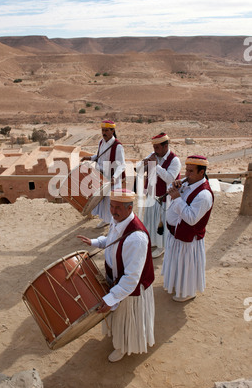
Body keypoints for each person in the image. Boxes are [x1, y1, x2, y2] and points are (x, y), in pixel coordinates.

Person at [77, 189, 155, 362]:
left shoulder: (137, 238)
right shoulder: (118, 220)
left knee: (128, 319)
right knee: (118, 317)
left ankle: (124, 347)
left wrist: (112, 297)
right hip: (117, 281)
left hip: (129, 289)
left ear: (129, 208)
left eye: (118, 207)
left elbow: (131, 279)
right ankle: (118, 338)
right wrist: (94, 242)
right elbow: (110, 240)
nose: (113, 211)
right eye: (111, 206)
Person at [161, 155, 214, 302]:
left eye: (191, 171)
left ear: (201, 172)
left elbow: (191, 218)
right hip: (176, 234)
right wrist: (174, 190)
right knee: (177, 264)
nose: (187, 175)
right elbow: (176, 204)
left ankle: (187, 292)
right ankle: (176, 285)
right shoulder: (187, 185)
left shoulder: (204, 195)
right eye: (186, 171)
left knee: (186, 267)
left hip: (188, 239)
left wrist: (177, 198)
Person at [140, 132, 181, 258]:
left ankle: (161, 246)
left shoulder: (175, 160)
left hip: (165, 198)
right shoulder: (154, 155)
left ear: (165, 146)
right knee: (150, 219)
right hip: (152, 194)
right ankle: (152, 241)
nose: (155, 150)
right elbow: (140, 170)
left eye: (157, 147)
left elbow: (169, 178)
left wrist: (156, 166)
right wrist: (144, 164)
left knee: (161, 221)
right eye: (154, 147)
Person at [81, 119, 126, 228]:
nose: (104, 133)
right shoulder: (101, 142)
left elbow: (122, 165)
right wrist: (89, 157)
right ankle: (106, 220)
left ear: (112, 131)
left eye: (106, 130)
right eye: (103, 130)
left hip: (112, 178)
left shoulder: (118, 146)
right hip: (101, 176)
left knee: (112, 202)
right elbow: (99, 156)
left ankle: (114, 223)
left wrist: (115, 177)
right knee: (104, 200)